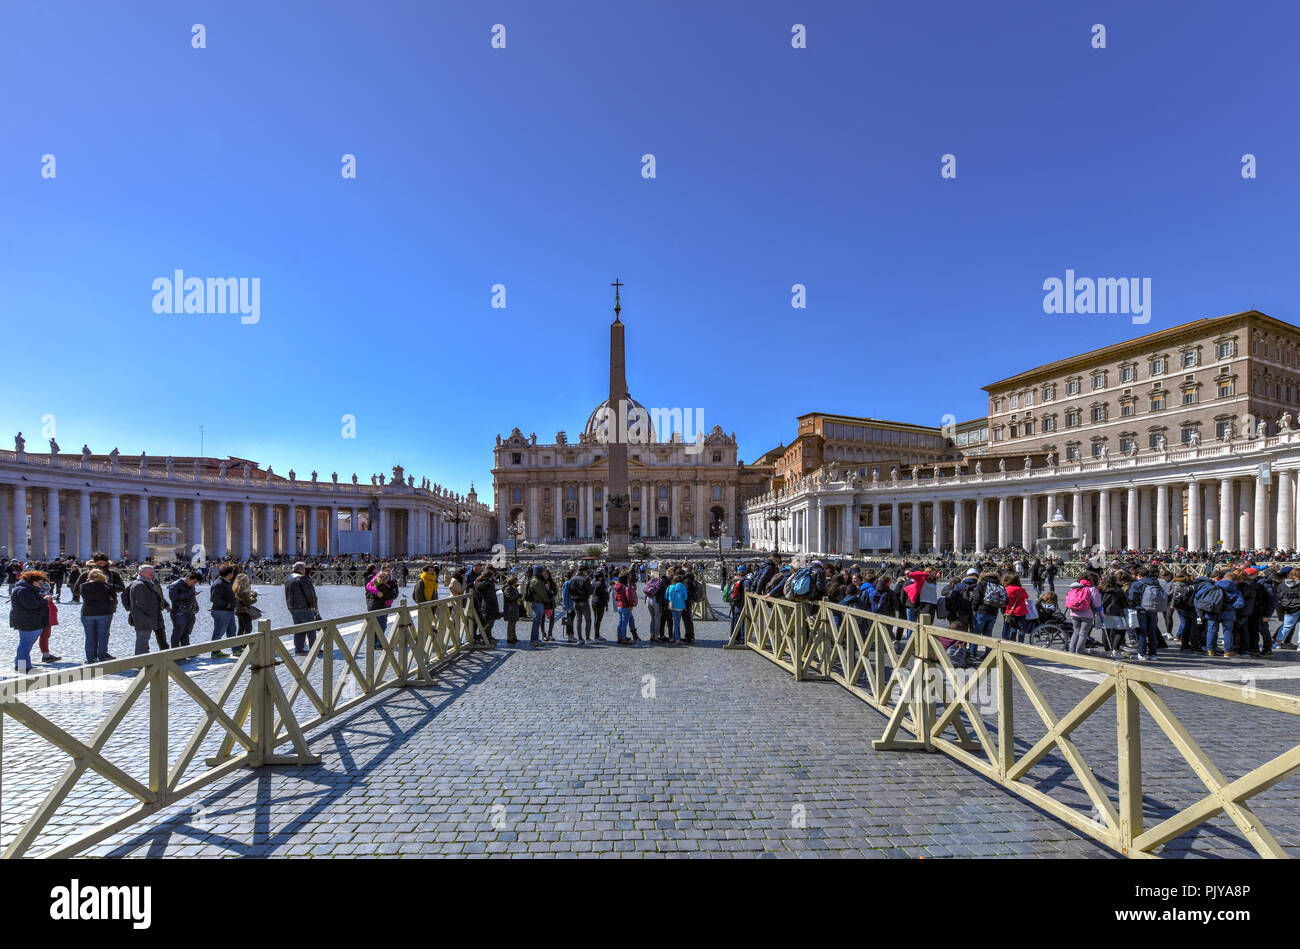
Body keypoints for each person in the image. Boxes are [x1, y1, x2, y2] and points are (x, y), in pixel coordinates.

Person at [9, 570, 53, 672]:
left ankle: (20, 664)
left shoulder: (28, 589)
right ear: (32, 581)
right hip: (28, 621)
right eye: (39, 582)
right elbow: (30, 605)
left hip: (30, 620)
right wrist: (45, 600)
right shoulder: (25, 590)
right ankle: (23, 666)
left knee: (25, 644)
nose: (40, 584)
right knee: (25, 645)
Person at [126, 564, 168, 656]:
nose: (152, 574)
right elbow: (141, 603)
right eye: (150, 572)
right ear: (141, 572)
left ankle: (143, 660)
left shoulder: (148, 582)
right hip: (143, 618)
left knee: (144, 641)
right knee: (142, 642)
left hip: (147, 617)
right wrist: (151, 613)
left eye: (153, 572)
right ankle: (140, 662)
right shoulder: (139, 584)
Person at [78, 567, 117, 663]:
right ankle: (102, 658)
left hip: (87, 612)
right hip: (104, 612)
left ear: (89, 576)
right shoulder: (107, 586)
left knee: (89, 637)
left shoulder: (83, 586)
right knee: (102, 637)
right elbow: (113, 598)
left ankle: (90, 659)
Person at [285, 561, 321, 655]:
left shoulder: (289, 578)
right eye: (304, 568)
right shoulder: (302, 578)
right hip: (304, 607)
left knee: (299, 629)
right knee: (311, 629)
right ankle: (314, 649)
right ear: (301, 569)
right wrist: (313, 606)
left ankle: (299, 649)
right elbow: (309, 594)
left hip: (293, 607)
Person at [1063, 572, 1101, 654]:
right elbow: (1097, 603)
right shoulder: (1092, 589)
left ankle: (1072, 650)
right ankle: (1079, 652)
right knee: (1083, 634)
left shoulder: (1075, 587)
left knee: (1076, 631)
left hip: (1074, 613)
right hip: (1087, 614)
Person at [209, 564, 238, 658]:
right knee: (219, 631)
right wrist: (227, 604)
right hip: (221, 611)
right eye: (232, 573)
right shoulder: (219, 583)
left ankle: (236, 649)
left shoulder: (225, 582)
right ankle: (215, 652)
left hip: (228, 611)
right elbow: (214, 599)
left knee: (232, 631)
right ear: (229, 574)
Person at [167, 569, 201, 649]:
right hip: (179, 612)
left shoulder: (191, 585)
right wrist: (190, 594)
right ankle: (175, 652)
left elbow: (192, 596)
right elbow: (173, 598)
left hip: (190, 611)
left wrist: (196, 606)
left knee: (186, 632)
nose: (194, 584)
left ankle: (186, 651)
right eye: (194, 582)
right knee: (178, 633)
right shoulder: (175, 585)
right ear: (189, 578)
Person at [1274, 568, 1300, 650]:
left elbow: (1278, 594)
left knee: (1286, 626)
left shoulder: (1283, 584)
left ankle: (1277, 643)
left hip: (1288, 607)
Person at [232, 572, 258, 656]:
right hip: (244, 610)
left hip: (238, 610)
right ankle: (245, 645)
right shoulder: (243, 590)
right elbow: (248, 602)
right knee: (248, 628)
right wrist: (254, 598)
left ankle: (239, 645)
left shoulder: (235, 588)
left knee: (241, 628)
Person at [472, 568, 500, 643]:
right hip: (488, 605)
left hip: (486, 605)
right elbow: (489, 596)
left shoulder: (485, 583)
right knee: (489, 623)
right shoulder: (487, 584)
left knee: (488, 623)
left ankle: (487, 638)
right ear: (490, 576)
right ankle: (481, 636)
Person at [526, 566, 551, 647]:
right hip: (538, 602)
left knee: (537, 620)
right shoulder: (536, 581)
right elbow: (542, 593)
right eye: (543, 571)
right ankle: (534, 639)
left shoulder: (537, 579)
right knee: (537, 621)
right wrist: (548, 600)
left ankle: (535, 638)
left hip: (538, 602)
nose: (544, 573)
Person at [1002, 572, 1030, 642]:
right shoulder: (1020, 589)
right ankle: (1021, 642)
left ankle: (1013, 642)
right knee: (1022, 628)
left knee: (1013, 627)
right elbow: (1026, 596)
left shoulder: (1007, 589)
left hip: (1011, 611)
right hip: (1021, 611)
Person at [569, 566, 593, 643]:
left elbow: (570, 590)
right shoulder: (586, 579)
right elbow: (590, 591)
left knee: (579, 621)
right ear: (584, 571)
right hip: (584, 601)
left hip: (575, 601)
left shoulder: (572, 579)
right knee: (588, 620)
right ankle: (588, 638)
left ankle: (580, 639)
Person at [665, 573, 688, 643]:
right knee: (677, 623)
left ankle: (674, 637)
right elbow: (686, 597)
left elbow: (666, 596)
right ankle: (677, 639)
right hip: (680, 606)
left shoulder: (670, 587)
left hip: (672, 606)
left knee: (675, 622)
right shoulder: (682, 586)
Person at [502, 575, 521, 644]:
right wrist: (517, 595)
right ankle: (509, 638)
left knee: (514, 623)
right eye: (516, 582)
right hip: (510, 608)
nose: (517, 583)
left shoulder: (513, 588)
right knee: (511, 623)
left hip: (513, 607)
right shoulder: (508, 589)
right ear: (513, 582)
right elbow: (509, 598)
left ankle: (514, 637)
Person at [590, 568, 609, 640]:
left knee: (596, 619)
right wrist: (606, 604)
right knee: (598, 620)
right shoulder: (602, 582)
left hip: (593, 601)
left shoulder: (593, 582)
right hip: (600, 602)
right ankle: (597, 635)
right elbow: (604, 594)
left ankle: (596, 634)